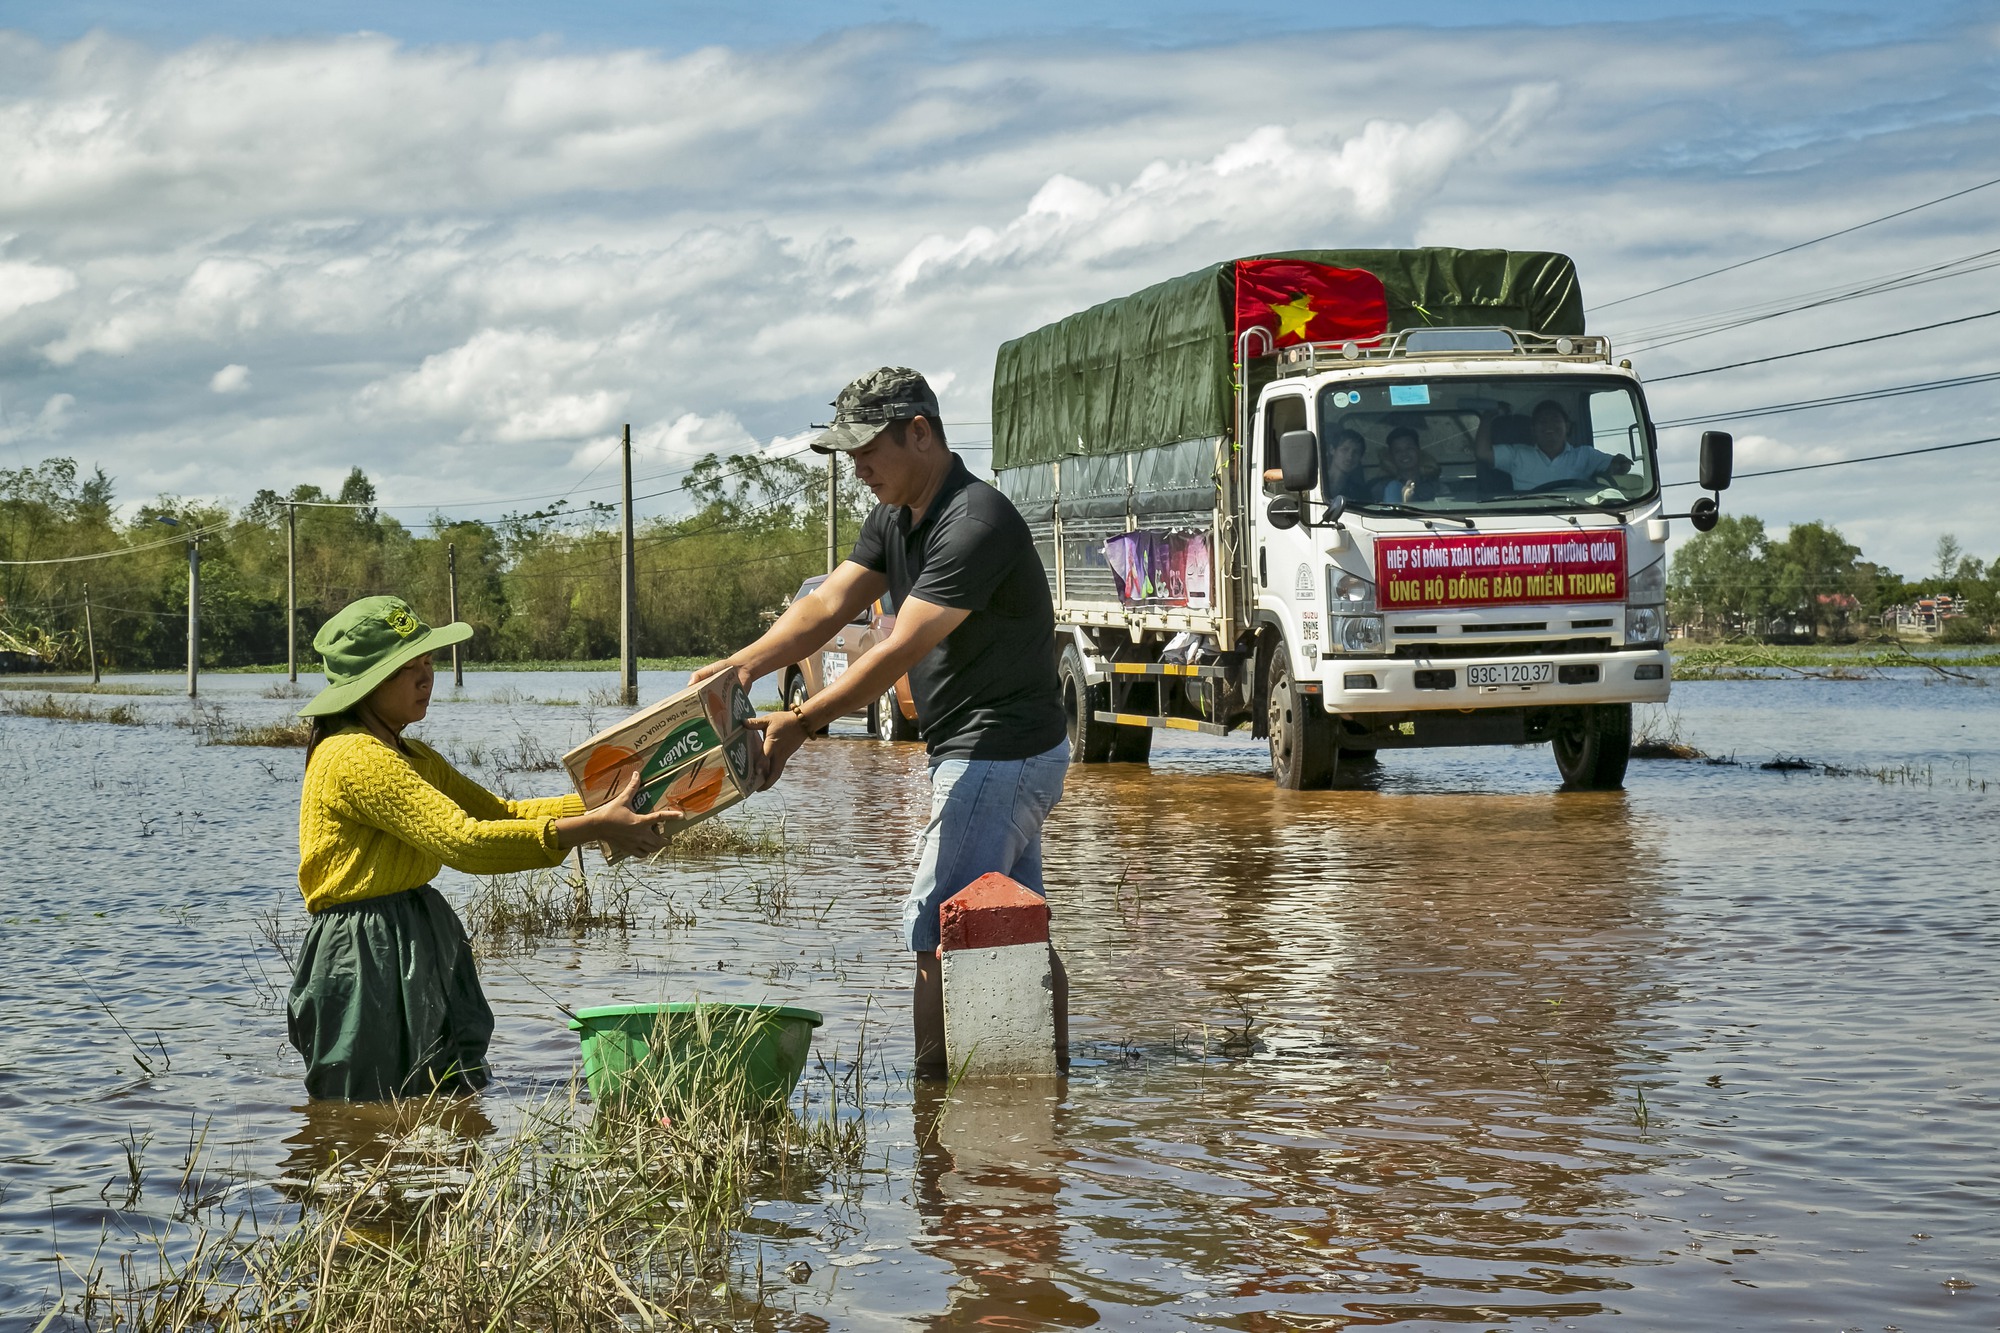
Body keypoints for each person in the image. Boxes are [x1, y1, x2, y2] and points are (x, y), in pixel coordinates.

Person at [693, 367, 1069, 1078]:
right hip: (999, 754)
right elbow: (829, 605)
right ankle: (1047, 1084)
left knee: (932, 927)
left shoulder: (975, 520)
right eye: (849, 453)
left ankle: (932, 1109)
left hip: (998, 751)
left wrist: (800, 722)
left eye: (867, 449)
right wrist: (738, 669)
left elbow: (899, 645)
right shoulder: (896, 516)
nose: (857, 467)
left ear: (919, 433)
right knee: (1018, 930)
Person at [289, 595, 667, 1100]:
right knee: (366, 1103)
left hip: (417, 928)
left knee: (445, 1093)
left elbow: (498, 814)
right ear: (368, 683)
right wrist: (596, 825)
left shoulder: (410, 753)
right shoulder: (354, 756)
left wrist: (606, 805)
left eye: (428, 663)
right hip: (366, 949)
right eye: (408, 668)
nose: (427, 678)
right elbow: (464, 843)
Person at [1476, 399, 1631, 490]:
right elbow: (1483, 453)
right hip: (1527, 518)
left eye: (1555, 420)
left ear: (1567, 426)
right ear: (1533, 429)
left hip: (1578, 518)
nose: (1549, 426)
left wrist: (1620, 464)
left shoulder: (1585, 455)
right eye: (1542, 421)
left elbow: (1617, 465)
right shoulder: (1517, 455)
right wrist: (1487, 419)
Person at [1374, 427, 1441, 504]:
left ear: (1418, 450)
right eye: (1398, 451)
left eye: (1409, 448)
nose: (1404, 454)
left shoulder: (1436, 485)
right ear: (1391, 456)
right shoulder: (1380, 488)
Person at [1324, 428, 1370, 503]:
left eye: (1356, 452)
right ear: (1332, 449)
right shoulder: (1317, 482)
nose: (1350, 457)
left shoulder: (1360, 493)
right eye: (1344, 449)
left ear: (1360, 457)